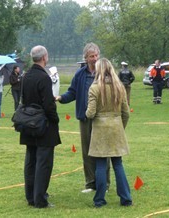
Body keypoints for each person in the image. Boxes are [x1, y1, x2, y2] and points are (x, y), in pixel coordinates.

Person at [55, 42, 110, 193]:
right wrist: (60, 97)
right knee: (87, 151)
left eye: (96, 55)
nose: (94, 58)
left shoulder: (105, 73)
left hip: (101, 118)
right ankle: (91, 183)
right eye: (91, 56)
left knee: (103, 151)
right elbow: (72, 92)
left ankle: (104, 184)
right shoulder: (80, 74)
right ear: (85, 58)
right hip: (84, 118)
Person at [86, 58, 132, 208]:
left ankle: (99, 199)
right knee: (118, 164)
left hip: (100, 130)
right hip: (116, 127)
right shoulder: (119, 87)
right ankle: (125, 198)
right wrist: (120, 127)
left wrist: (87, 112)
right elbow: (126, 113)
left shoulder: (94, 88)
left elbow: (91, 113)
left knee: (100, 165)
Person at [20, 45, 61, 208]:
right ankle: (40, 199)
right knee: (44, 163)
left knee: (31, 160)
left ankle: (30, 196)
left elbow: (23, 99)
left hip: (28, 122)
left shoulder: (26, 75)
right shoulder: (43, 77)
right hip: (42, 124)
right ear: (44, 57)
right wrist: (55, 119)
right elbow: (48, 104)